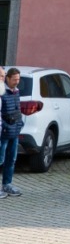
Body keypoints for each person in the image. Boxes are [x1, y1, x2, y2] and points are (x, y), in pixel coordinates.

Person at [0, 66, 24, 199]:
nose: (16, 82)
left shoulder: (16, 92)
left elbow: (17, 110)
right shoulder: (2, 92)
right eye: (14, 79)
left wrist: (20, 124)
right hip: (4, 132)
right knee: (0, 159)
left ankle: (7, 184)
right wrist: (4, 126)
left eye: (18, 79)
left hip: (14, 132)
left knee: (11, 159)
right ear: (8, 79)